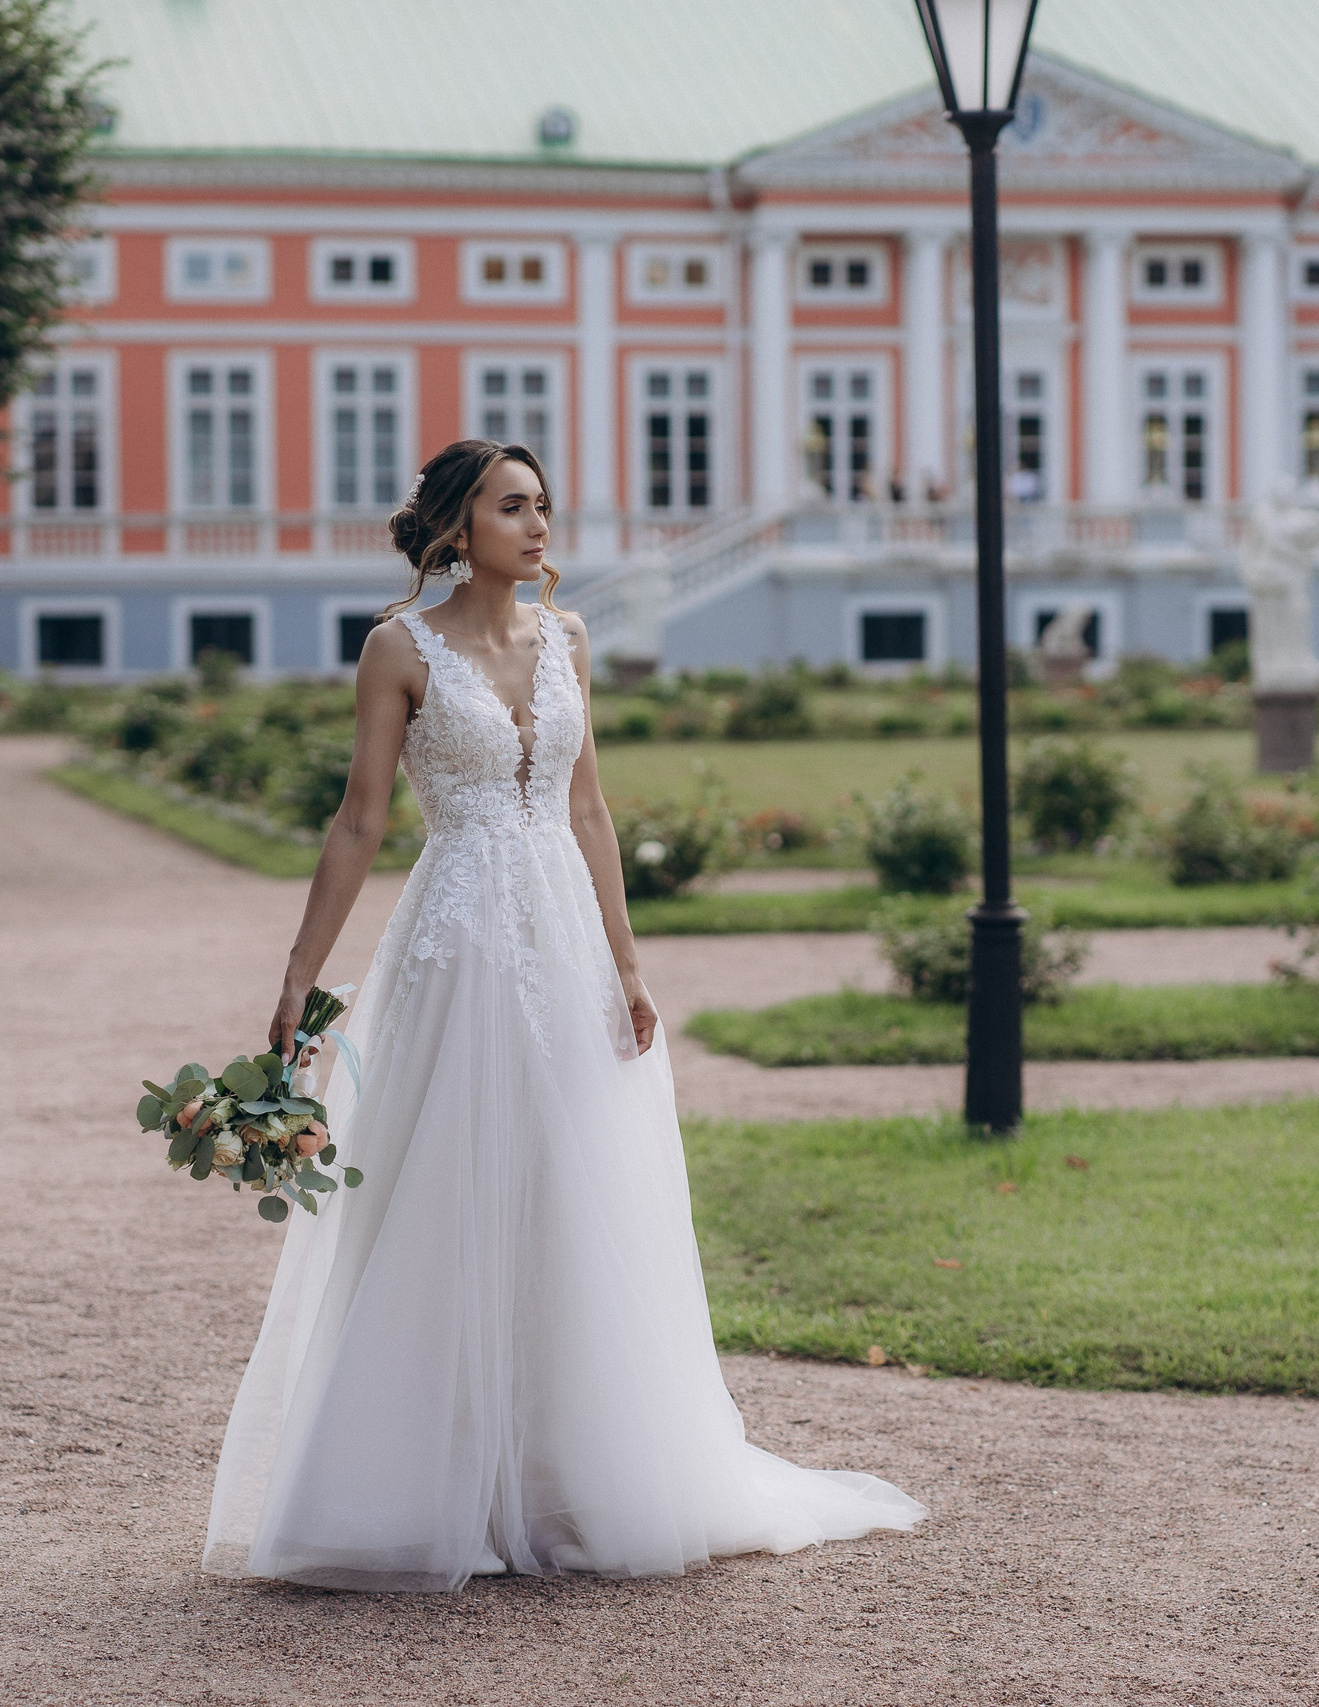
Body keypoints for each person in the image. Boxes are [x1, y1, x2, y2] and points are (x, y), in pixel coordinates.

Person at [204, 440, 924, 1593]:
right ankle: (421, 1488)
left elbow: (589, 810)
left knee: (579, 1191)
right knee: (449, 1195)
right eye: (511, 506)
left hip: (565, 943)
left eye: (542, 505)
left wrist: (629, 968)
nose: (538, 526)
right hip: (459, 943)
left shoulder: (569, 640)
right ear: (455, 526)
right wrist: (300, 976)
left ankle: (568, 1476)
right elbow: (359, 821)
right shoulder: (399, 648)